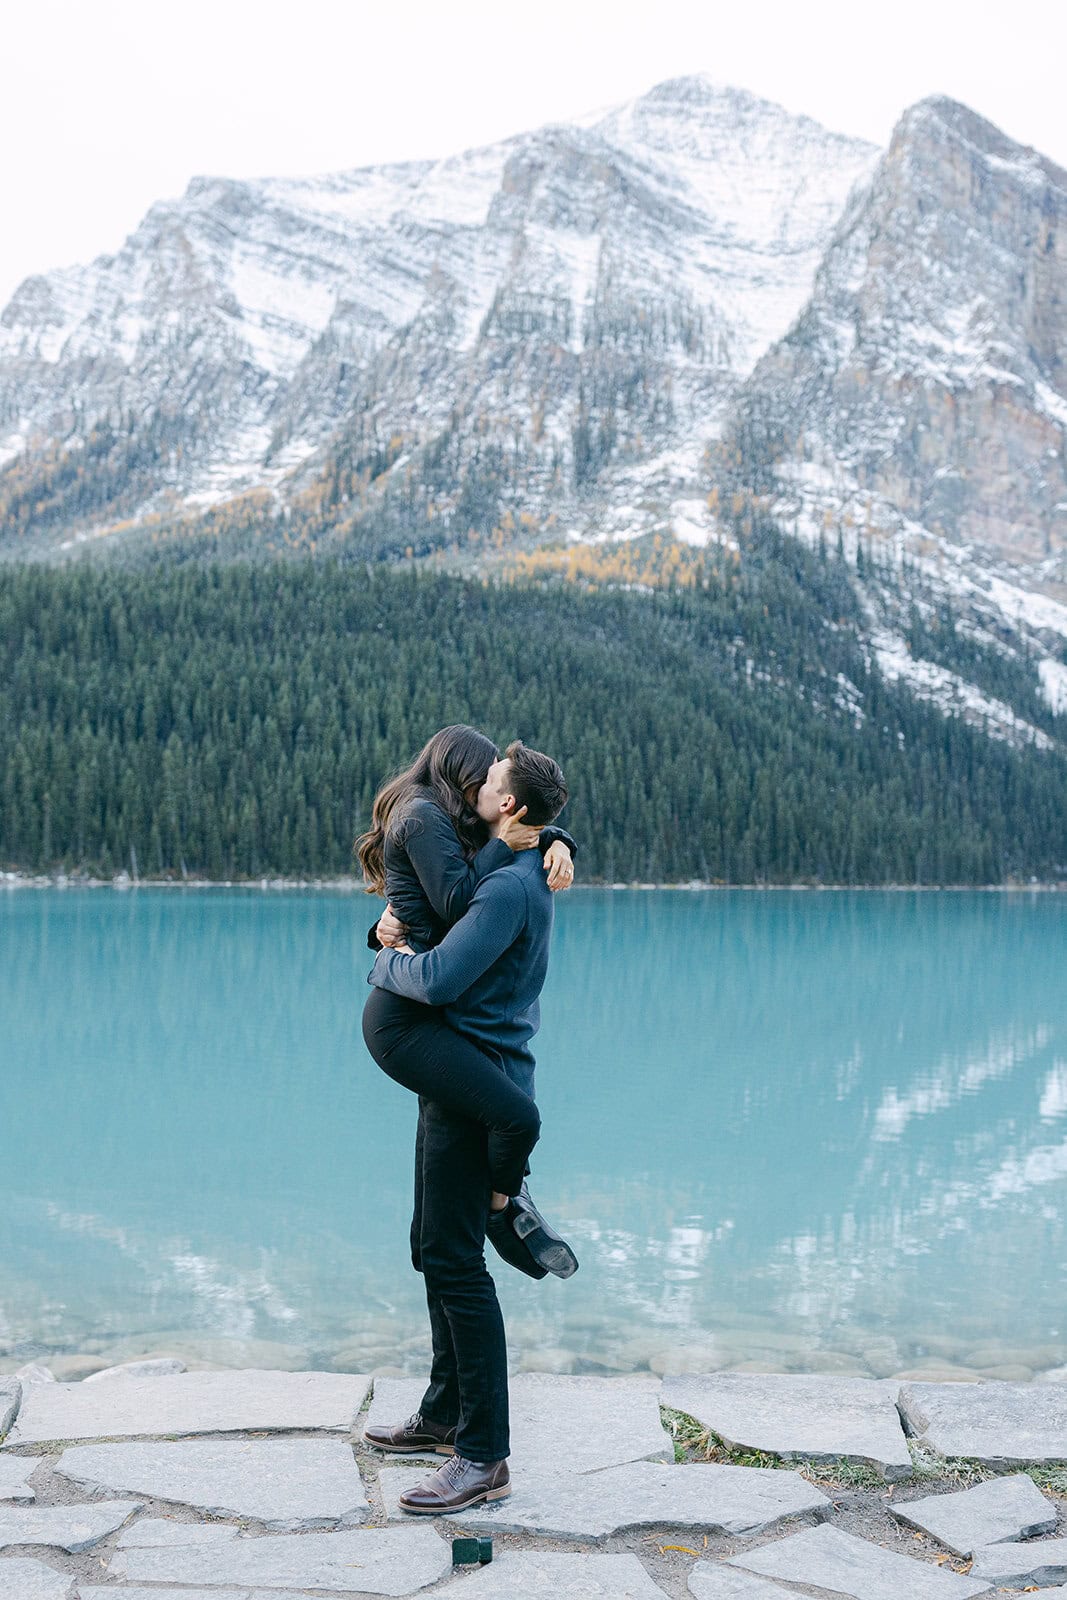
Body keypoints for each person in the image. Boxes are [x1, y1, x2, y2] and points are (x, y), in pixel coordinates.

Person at [361, 740, 571, 1513]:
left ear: (507, 805)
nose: (477, 786)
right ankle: (445, 1412)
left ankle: (483, 1456)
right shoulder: (505, 860)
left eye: (490, 782)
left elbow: (443, 972)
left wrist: (382, 963)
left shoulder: (511, 888)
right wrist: (553, 838)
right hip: (456, 1067)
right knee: (433, 1248)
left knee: (456, 1265)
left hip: (475, 1077)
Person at [358, 725, 577, 1279]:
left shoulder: (455, 822)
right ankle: (506, 1206)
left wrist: (557, 839)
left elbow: (438, 902)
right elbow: (454, 905)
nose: (483, 787)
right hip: (411, 1008)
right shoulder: (423, 816)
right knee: (511, 1120)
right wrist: (382, 955)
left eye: (493, 781)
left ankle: (506, 1203)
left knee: (441, 1244)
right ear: (458, 773)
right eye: (479, 777)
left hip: (432, 1017)